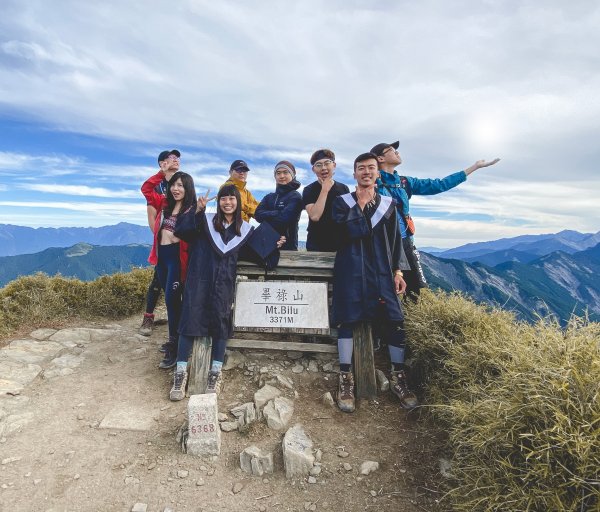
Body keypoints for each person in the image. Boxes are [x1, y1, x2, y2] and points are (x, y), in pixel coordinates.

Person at [169, 184, 285, 400]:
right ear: (219, 201)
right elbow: (182, 232)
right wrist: (196, 210)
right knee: (188, 322)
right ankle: (180, 372)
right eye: (223, 198)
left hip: (223, 284)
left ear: (237, 202)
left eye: (232, 198)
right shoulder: (205, 222)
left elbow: (259, 255)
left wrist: (273, 244)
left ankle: (215, 372)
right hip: (198, 281)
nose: (228, 202)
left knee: (221, 324)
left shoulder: (245, 231)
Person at [331, 152, 417, 413]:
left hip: (380, 271)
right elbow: (345, 233)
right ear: (354, 174)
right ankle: (345, 377)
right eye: (361, 169)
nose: (366, 172)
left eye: (371, 168)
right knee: (347, 319)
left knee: (394, 319)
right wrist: (359, 205)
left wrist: (399, 272)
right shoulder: (341, 203)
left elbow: (395, 241)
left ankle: (398, 376)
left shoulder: (388, 204)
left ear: (378, 173)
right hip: (351, 270)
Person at [371, 140, 500, 298]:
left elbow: (439, 185)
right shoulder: (372, 182)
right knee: (386, 289)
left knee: (414, 292)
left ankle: (408, 321)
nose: (397, 152)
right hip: (384, 244)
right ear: (380, 159)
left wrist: (474, 167)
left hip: (406, 242)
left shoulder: (405, 182)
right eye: (391, 150)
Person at [142, 169, 195, 369]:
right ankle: (176, 338)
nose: (175, 188)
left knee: (173, 302)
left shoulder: (191, 210)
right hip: (162, 259)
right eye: (173, 184)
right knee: (170, 301)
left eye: (180, 185)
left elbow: (192, 235)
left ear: (188, 188)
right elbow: (146, 189)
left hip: (176, 260)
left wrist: (198, 211)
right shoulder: (165, 204)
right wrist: (162, 172)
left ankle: (176, 344)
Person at [139, 149, 180, 337]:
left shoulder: (180, 183)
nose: (176, 160)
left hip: (181, 241)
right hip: (163, 242)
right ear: (162, 163)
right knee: (158, 279)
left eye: (177, 158)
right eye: (172, 158)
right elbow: (151, 214)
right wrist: (159, 238)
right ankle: (148, 317)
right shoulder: (157, 187)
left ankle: (178, 318)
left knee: (178, 280)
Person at [302, 149, 350, 252]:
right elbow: (315, 216)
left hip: (340, 244)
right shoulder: (308, 190)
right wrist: (324, 190)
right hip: (316, 245)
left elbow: (348, 216)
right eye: (318, 165)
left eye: (327, 163)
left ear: (334, 165)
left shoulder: (344, 188)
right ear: (313, 169)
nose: (323, 168)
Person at [255, 160, 303, 250]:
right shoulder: (269, 197)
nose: (282, 176)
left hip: (288, 247)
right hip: (265, 245)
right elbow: (257, 215)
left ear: (292, 175)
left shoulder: (295, 196)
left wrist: (267, 215)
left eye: (285, 172)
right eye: (278, 173)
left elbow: (284, 219)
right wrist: (277, 212)